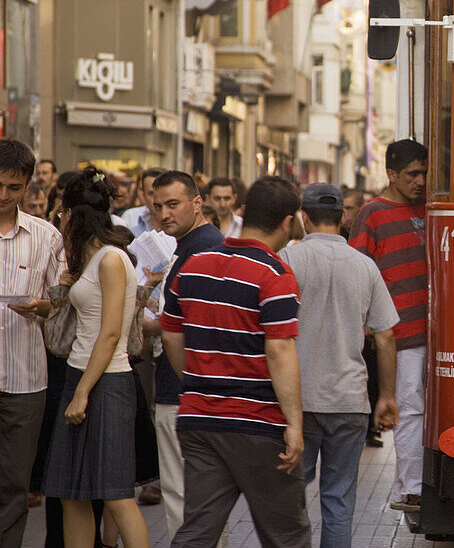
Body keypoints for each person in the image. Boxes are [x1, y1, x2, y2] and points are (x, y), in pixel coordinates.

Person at [161, 176, 309, 548]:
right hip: (257, 423)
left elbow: (170, 335)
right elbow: (280, 351)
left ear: (243, 211)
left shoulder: (194, 264)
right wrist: (293, 422)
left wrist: (197, 382)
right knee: (286, 533)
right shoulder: (275, 274)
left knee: (197, 529)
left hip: (198, 418)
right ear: (288, 223)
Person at [280, 183, 401, 548]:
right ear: (344, 217)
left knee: (290, 502)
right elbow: (386, 337)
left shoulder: (287, 260)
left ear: (303, 217)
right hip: (350, 401)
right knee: (339, 502)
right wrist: (387, 397)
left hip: (298, 402)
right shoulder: (366, 267)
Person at [42, 167, 149, 548]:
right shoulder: (91, 259)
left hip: (106, 382)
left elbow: (110, 333)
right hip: (80, 376)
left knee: (116, 495)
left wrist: (83, 392)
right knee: (71, 493)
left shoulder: (110, 259)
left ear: (71, 214)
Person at [349, 139, 429, 512]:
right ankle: (409, 487)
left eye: (425, 173)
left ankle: (412, 485)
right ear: (392, 174)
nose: (420, 181)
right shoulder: (372, 214)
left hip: (432, 331)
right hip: (400, 333)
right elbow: (358, 273)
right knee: (409, 407)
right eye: (413, 174)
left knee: (421, 407)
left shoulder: (429, 208)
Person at [147, 170, 226, 545]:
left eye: (173, 204)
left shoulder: (202, 249)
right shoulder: (193, 246)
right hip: (194, 390)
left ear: (197, 204)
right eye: (158, 205)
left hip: (184, 391)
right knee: (203, 500)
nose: (164, 214)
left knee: (184, 497)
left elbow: (193, 324)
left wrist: (154, 324)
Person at [0, 140, 64, 548]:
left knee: (13, 485)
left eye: (13, 187)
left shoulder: (46, 237)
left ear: (28, 187)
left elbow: (64, 302)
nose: (3, 196)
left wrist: (45, 306)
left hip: (25, 379)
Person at [121, 167, 167, 236]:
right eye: (151, 193)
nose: (157, 199)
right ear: (143, 195)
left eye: (162, 193)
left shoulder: (181, 225)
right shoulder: (130, 219)